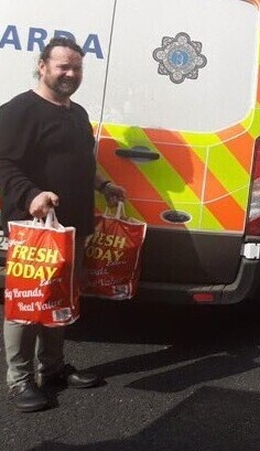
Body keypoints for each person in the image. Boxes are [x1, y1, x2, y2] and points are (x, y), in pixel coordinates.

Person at [0, 37, 126, 413]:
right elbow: (3, 163)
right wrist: (31, 194)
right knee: (26, 304)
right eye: (63, 67)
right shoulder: (19, 111)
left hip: (72, 228)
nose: (71, 74)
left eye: (77, 68)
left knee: (60, 300)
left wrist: (104, 184)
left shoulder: (77, 112)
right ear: (43, 66)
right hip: (33, 227)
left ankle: (52, 369)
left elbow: (81, 161)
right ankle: (19, 381)